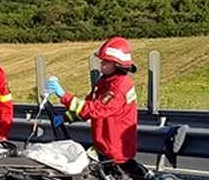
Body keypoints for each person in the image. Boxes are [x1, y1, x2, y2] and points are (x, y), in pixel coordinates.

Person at [45, 36, 140, 166]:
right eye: (102, 60)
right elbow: (87, 106)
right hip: (104, 146)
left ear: (117, 64)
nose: (102, 64)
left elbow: (95, 109)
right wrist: (67, 117)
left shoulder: (118, 87)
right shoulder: (106, 81)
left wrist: (63, 95)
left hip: (115, 152)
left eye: (106, 61)